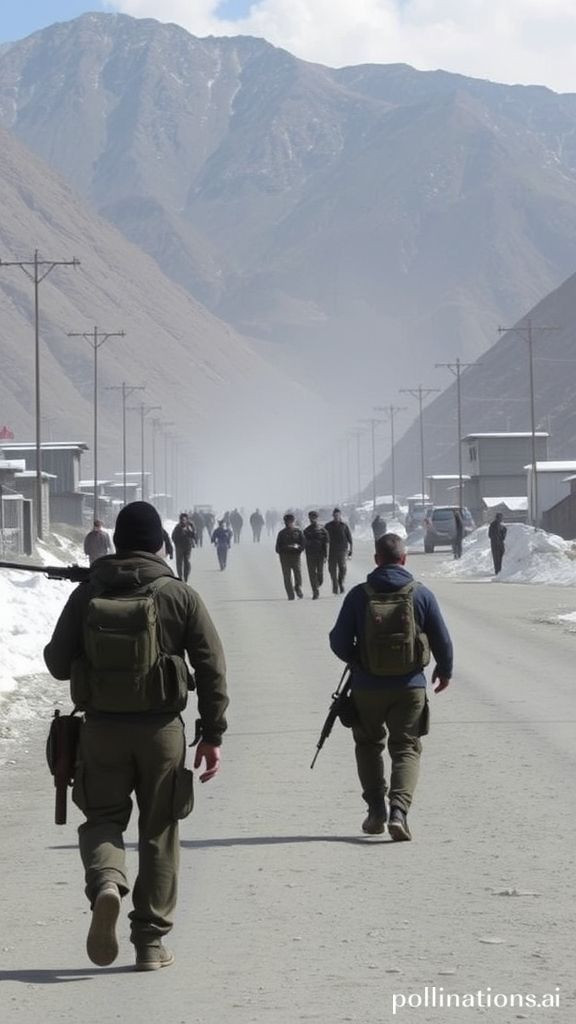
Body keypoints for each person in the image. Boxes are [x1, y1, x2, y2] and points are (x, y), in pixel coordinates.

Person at [43, 501, 228, 971]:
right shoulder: (179, 594)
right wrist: (212, 734)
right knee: (159, 830)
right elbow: (211, 668)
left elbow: (57, 663)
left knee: (102, 818)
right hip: (161, 732)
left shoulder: (89, 592)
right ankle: (149, 943)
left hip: (101, 730)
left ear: (118, 542)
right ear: (161, 545)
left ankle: (107, 881)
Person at [329, 533, 453, 841]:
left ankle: (376, 812)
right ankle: (399, 812)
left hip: (366, 688)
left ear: (376, 560)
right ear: (404, 559)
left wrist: (360, 661)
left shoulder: (358, 595)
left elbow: (338, 641)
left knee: (368, 745)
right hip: (409, 687)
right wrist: (444, 671)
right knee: (406, 748)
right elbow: (442, 639)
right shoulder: (421, 594)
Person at [275, 513, 305, 600]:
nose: (289, 523)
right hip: (285, 557)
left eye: (291, 521)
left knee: (298, 574)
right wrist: (286, 548)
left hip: (295, 556)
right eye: (287, 522)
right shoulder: (281, 533)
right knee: (287, 577)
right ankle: (290, 595)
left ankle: (298, 588)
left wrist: (298, 548)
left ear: (293, 522)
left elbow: (303, 544)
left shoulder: (298, 532)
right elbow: (277, 548)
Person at [325, 508, 353, 594]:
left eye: (338, 515)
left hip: (342, 550)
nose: (336, 517)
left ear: (340, 515)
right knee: (332, 569)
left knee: (343, 568)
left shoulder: (344, 526)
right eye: (335, 515)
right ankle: (335, 584)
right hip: (332, 551)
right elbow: (323, 538)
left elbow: (350, 539)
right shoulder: (328, 526)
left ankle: (341, 582)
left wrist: (350, 551)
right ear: (333, 516)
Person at [303, 510, 328, 599]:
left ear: (317, 518)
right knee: (312, 573)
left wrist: (326, 555)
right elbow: (303, 542)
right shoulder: (306, 530)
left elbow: (326, 543)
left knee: (320, 573)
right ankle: (315, 591)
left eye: (314, 517)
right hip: (310, 555)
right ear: (309, 519)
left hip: (320, 554)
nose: (313, 519)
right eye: (311, 518)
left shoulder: (322, 530)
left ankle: (317, 584)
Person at [171, 512, 196, 583]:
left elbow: (194, 535)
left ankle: (186, 577)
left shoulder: (190, 526)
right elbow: (173, 537)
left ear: (187, 519)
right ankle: (180, 577)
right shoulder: (177, 527)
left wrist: (188, 531)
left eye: (184, 519)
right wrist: (176, 544)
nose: (183, 521)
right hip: (179, 547)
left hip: (187, 546)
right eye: (182, 519)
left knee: (187, 562)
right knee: (179, 563)